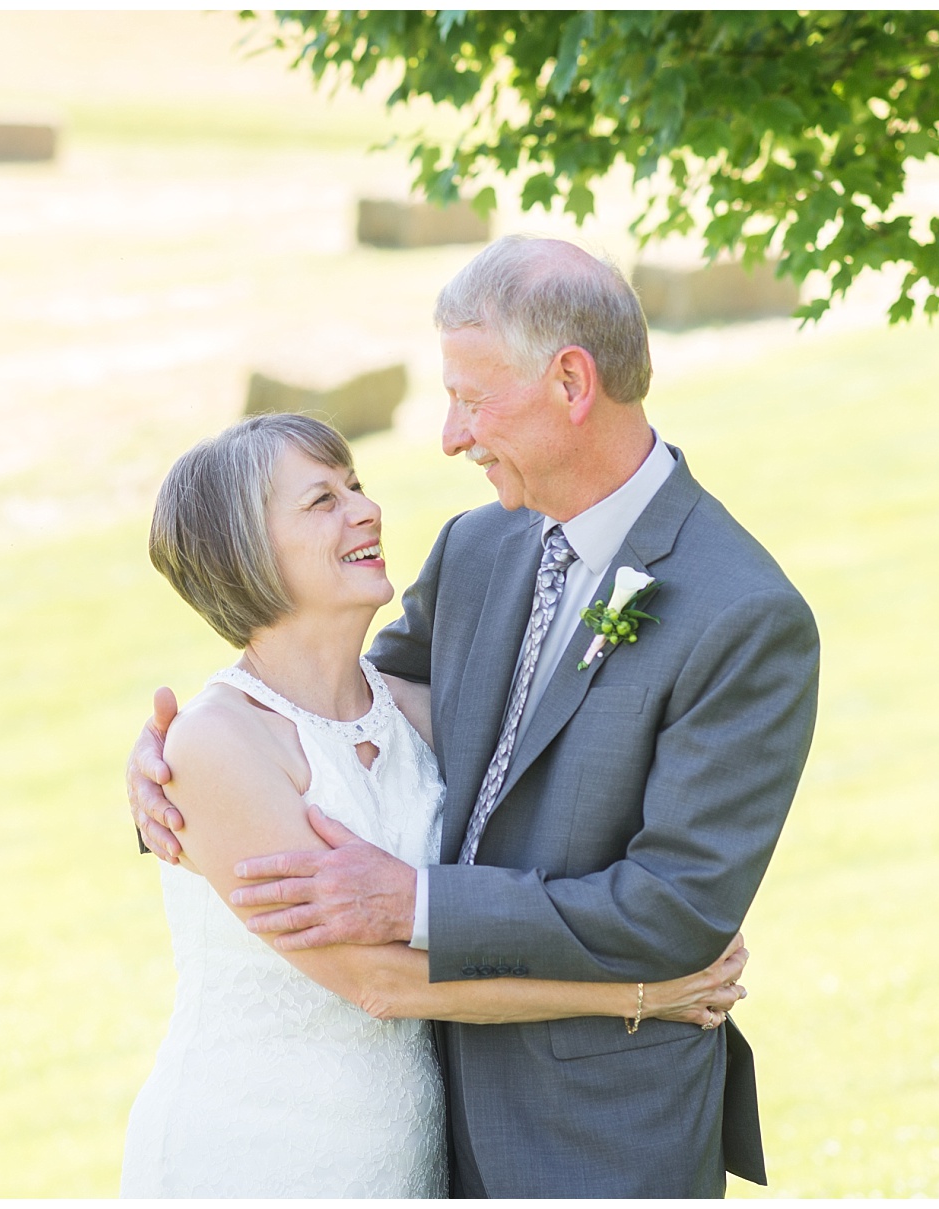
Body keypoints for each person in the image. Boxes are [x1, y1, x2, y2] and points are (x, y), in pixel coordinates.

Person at [130, 236, 820, 1197]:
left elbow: (676, 908)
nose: (452, 437)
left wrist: (413, 902)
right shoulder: (478, 547)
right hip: (392, 1129)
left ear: (571, 383)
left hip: (598, 1134)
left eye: (471, 399)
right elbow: (335, 710)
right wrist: (176, 773)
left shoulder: (741, 613)